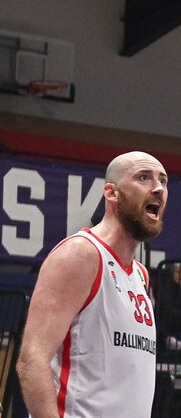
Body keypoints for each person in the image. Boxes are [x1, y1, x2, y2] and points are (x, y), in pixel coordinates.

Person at [17, 151, 166, 418]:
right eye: (144, 178)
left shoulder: (140, 275)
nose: (158, 188)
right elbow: (31, 361)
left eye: (163, 180)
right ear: (112, 193)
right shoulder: (81, 254)